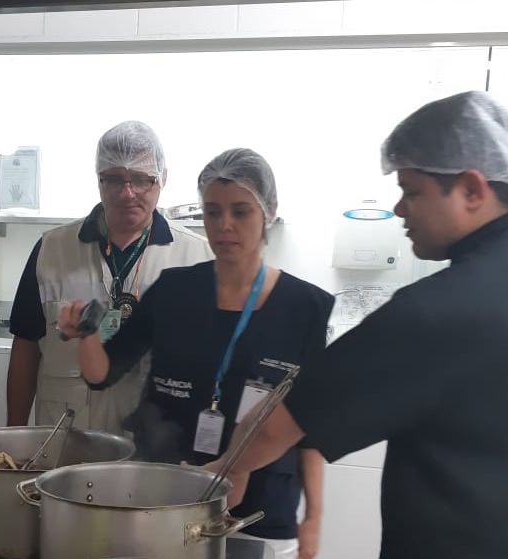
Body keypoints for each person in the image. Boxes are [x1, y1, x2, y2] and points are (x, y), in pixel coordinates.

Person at [213, 91, 508, 559]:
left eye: (412, 191)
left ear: (472, 190)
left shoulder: (434, 313)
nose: (399, 209)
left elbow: (278, 424)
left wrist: (225, 472)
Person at [59, 148, 334, 559]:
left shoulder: (305, 307)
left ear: (268, 213)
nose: (224, 225)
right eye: (213, 211)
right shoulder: (173, 291)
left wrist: (312, 518)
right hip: (167, 497)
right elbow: (102, 374)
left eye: (240, 211)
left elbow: (310, 424)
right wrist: (85, 334)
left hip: (260, 508)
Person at [6, 121, 214, 433]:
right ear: (98, 179)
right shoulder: (52, 250)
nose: (127, 193)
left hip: (152, 444)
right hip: (65, 438)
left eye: (142, 179)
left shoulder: (197, 257)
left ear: (163, 178)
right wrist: (14, 431)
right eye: (114, 179)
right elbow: (26, 345)